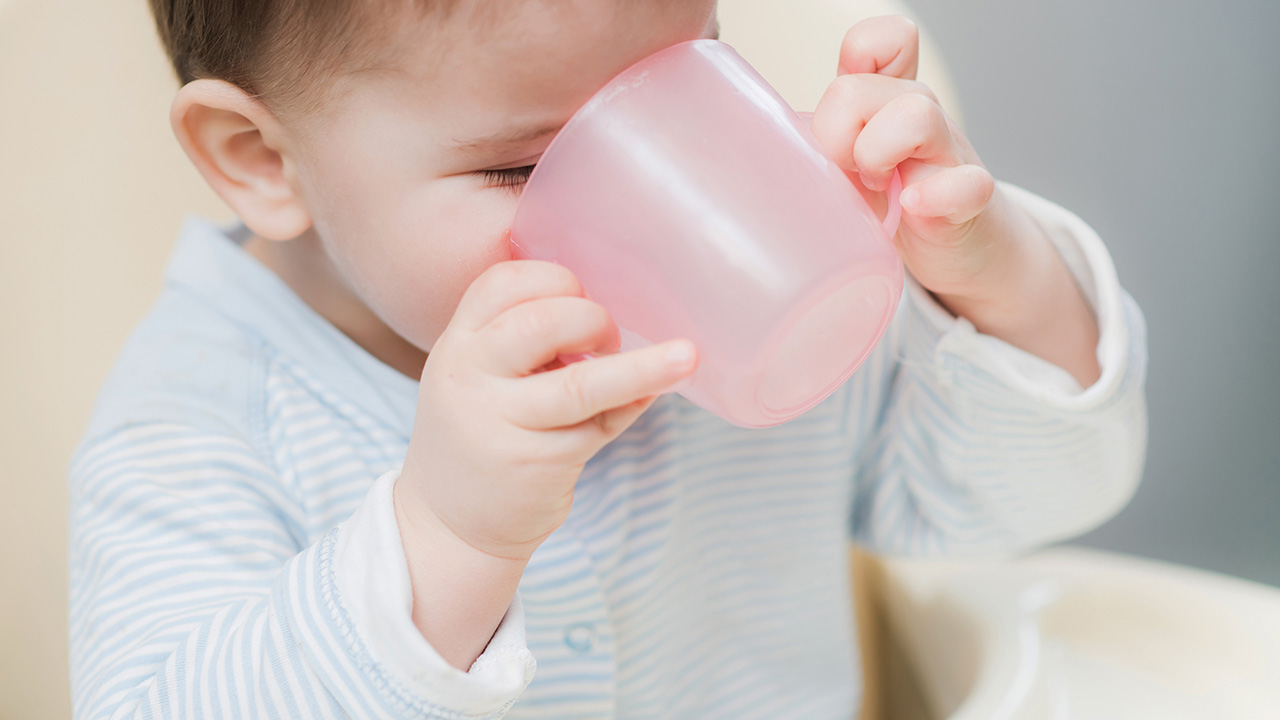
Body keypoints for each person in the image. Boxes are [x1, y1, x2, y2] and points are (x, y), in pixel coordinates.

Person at [67, 1, 1147, 718]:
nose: (662, 198)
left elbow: (1029, 499)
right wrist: (446, 538)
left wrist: (991, 275)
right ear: (261, 157)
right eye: (527, 166)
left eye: (690, 87)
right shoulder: (199, 430)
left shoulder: (752, 282)